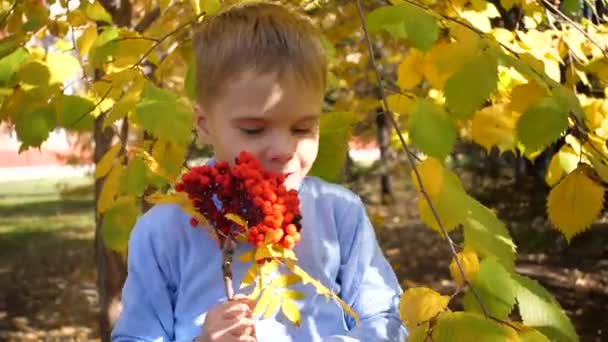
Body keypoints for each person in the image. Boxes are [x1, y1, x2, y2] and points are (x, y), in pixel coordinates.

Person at [111, 2, 406, 341]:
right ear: (205, 125)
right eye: (253, 130)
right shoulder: (164, 231)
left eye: (302, 129)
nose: (284, 150)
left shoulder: (340, 215)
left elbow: (386, 317)